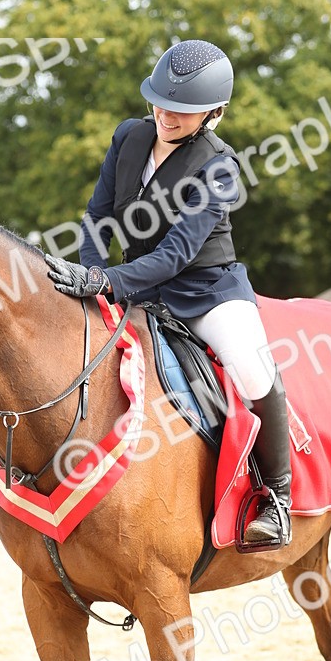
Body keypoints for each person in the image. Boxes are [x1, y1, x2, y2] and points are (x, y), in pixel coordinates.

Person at [44, 39, 292, 549]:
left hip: (207, 292)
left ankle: (277, 497)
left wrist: (108, 281)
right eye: (160, 101)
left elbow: (177, 253)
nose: (166, 114)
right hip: (137, 290)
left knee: (251, 368)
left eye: (181, 109)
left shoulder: (219, 166)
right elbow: (98, 217)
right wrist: (92, 278)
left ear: (213, 113)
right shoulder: (129, 138)